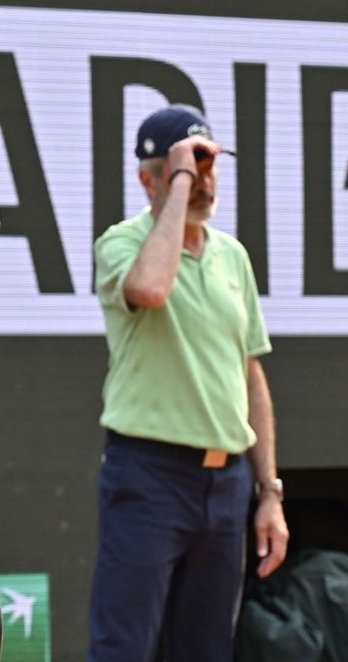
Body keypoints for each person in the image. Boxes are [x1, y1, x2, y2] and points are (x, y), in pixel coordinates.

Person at [86, 104, 290, 661]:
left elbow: (252, 375)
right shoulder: (121, 243)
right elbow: (151, 288)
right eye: (187, 167)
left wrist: (268, 492)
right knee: (122, 648)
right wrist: (177, 180)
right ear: (148, 179)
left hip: (227, 486)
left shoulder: (233, 257)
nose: (202, 180)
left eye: (208, 165)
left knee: (207, 651)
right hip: (148, 477)